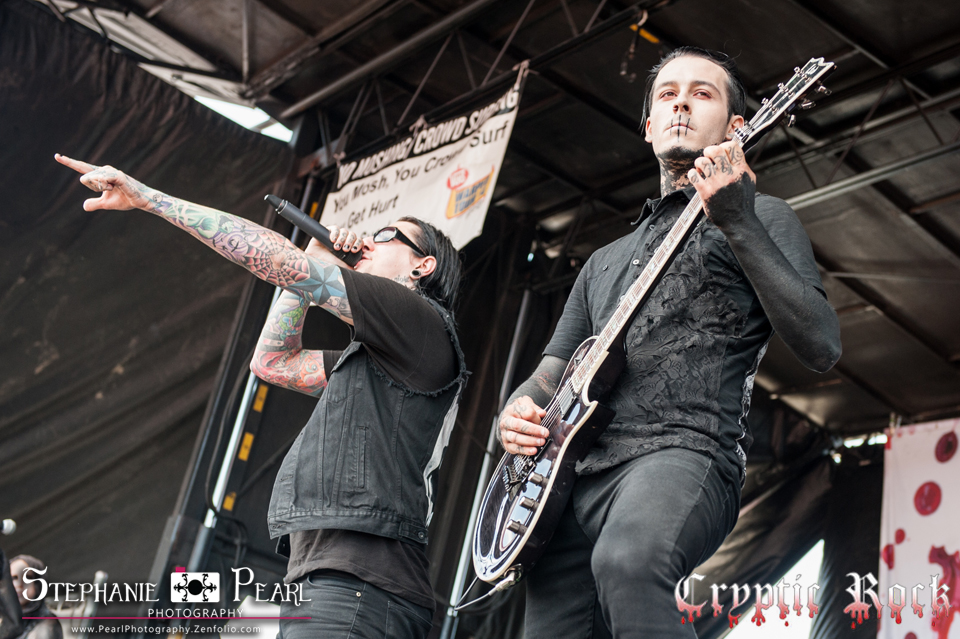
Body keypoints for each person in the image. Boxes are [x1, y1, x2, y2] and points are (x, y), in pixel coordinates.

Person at [497, 47, 841, 638]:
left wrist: (736, 219)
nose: (681, 102)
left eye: (702, 93)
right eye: (667, 95)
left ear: (738, 128)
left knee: (628, 562)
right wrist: (517, 410)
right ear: (650, 126)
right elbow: (551, 372)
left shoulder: (766, 217)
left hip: (684, 453)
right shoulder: (602, 262)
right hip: (573, 473)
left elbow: (821, 344)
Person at [55, 154, 467, 639]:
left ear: (423, 264)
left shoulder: (419, 321)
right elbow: (273, 361)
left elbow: (276, 261)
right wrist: (315, 261)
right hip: (330, 582)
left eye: (386, 235)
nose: (370, 241)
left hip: (362, 587)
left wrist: (149, 199)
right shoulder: (382, 357)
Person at [8, 555, 61, 639]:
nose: (18, 584)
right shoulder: (7, 619)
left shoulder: (45, 625)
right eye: (13, 578)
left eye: (27, 578)